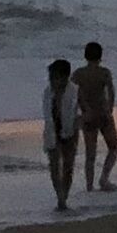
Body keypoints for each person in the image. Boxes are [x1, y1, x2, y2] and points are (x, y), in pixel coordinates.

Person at [74, 39, 117, 191]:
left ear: (85, 56)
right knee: (113, 147)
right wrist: (110, 109)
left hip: (88, 115)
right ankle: (104, 178)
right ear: (100, 56)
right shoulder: (104, 73)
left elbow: (74, 94)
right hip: (102, 113)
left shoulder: (79, 74)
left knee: (90, 154)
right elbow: (111, 92)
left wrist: (78, 112)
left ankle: (89, 186)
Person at [42, 54, 82, 208]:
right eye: (51, 77)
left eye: (55, 77)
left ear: (65, 78)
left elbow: (78, 112)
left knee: (68, 166)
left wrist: (76, 127)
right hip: (52, 130)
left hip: (70, 130)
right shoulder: (48, 92)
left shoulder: (74, 91)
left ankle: (64, 195)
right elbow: (47, 115)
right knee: (53, 165)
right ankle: (60, 197)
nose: (52, 80)